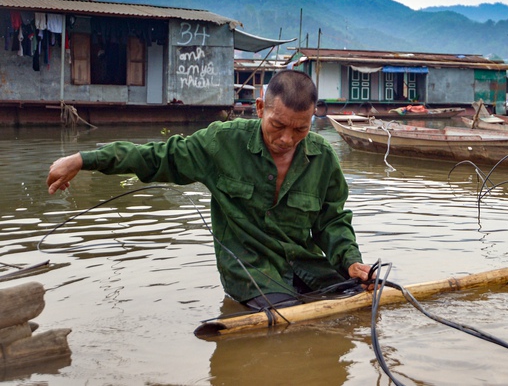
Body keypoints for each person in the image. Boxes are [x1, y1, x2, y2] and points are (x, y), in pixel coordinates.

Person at [47, 70, 372, 310]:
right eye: (278, 125)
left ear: (312, 121)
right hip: (252, 272)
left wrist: (350, 262)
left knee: (361, 300)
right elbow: (158, 157)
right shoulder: (221, 143)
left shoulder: (323, 158)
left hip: (307, 265)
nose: (287, 139)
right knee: (286, 321)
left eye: (300, 129)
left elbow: (332, 222)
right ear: (260, 108)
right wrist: (83, 159)